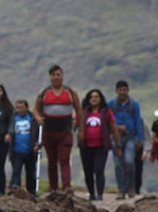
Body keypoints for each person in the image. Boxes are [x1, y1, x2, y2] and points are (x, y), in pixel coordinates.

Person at [34, 65, 80, 193]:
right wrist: (38, 118)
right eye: (53, 75)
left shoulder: (70, 92)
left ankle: (66, 186)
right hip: (48, 131)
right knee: (51, 160)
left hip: (65, 131)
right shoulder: (44, 93)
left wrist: (78, 124)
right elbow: (36, 110)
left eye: (58, 74)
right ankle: (53, 187)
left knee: (64, 159)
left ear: (62, 76)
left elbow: (79, 110)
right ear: (50, 77)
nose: (56, 77)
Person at [78, 89, 122, 202]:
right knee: (88, 171)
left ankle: (100, 194)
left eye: (96, 97)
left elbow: (114, 129)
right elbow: (74, 123)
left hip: (101, 146)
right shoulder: (83, 112)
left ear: (100, 99)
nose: (94, 99)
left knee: (99, 169)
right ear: (88, 99)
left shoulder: (106, 112)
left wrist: (118, 145)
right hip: (86, 147)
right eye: (91, 97)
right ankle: (91, 193)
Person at [109, 80, 144, 199]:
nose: (122, 92)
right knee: (118, 164)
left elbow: (138, 122)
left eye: (124, 90)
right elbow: (109, 121)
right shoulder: (112, 104)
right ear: (116, 91)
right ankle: (121, 189)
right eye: (120, 90)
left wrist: (139, 139)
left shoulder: (134, 104)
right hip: (116, 137)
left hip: (130, 136)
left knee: (129, 161)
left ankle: (131, 187)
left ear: (127, 90)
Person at [9, 99, 40, 194]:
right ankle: (14, 190)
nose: (20, 110)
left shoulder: (33, 119)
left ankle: (32, 191)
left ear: (27, 107)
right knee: (16, 172)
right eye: (18, 107)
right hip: (16, 151)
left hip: (30, 151)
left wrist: (38, 145)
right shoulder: (13, 119)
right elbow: (9, 131)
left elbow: (38, 133)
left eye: (22, 107)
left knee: (31, 173)